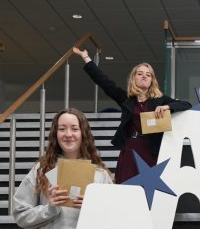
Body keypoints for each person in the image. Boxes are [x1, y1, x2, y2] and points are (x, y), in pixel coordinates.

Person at [71, 48, 192, 183]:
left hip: (151, 150)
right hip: (130, 149)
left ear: (152, 80)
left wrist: (167, 106)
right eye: (140, 73)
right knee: (126, 187)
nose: (144, 76)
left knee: (150, 191)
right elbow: (104, 82)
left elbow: (186, 104)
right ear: (134, 78)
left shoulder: (160, 99)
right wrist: (86, 57)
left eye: (148, 74)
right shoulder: (126, 99)